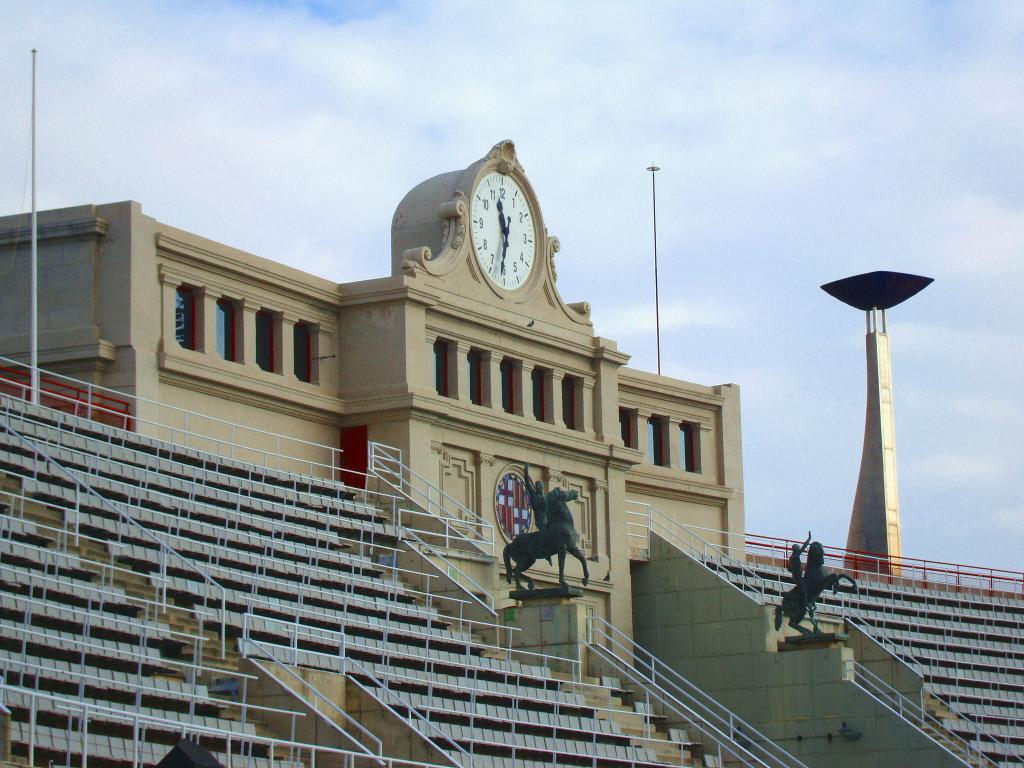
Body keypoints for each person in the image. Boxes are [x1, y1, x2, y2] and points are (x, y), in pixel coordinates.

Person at [788, 531, 812, 609]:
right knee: (804, 587)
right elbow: (804, 547)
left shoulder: (792, 557)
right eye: (798, 548)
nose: (799, 549)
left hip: (797, 576)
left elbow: (789, 568)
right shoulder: (795, 556)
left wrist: (799, 569)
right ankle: (806, 602)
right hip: (797, 577)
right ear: (795, 549)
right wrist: (809, 539)